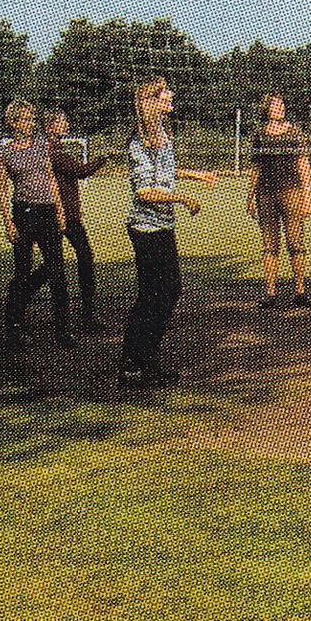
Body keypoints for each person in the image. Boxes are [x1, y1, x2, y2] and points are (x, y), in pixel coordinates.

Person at [120, 77, 218, 388]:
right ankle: (135, 363)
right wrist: (183, 198)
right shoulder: (139, 142)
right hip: (146, 229)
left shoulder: (162, 133)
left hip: (162, 227)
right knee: (155, 296)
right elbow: (146, 191)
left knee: (166, 292)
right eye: (165, 92)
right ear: (153, 100)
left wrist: (195, 175)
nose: (172, 94)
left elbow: (165, 172)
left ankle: (143, 360)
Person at [0, 99, 74, 353]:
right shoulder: (6, 152)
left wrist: (60, 211)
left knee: (57, 272)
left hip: (47, 212)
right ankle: (15, 326)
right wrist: (8, 222)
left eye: (32, 119)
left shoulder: (42, 146)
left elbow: (51, 179)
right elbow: (2, 190)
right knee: (22, 271)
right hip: (23, 213)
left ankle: (63, 329)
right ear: (13, 122)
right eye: (26, 119)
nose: (31, 123)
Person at [43, 109, 109, 331]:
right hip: (63, 216)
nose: (67, 125)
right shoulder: (54, 152)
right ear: (51, 126)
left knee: (55, 264)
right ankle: (86, 316)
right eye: (63, 121)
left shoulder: (52, 149)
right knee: (83, 259)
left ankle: (21, 305)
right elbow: (81, 171)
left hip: (63, 213)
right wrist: (103, 159)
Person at [246, 94, 311, 309]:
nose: (280, 108)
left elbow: (303, 164)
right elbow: (255, 168)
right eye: (276, 105)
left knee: (295, 243)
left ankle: (300, 291)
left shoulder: (295, 133)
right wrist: (250, 197)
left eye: (282, 104)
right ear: (266, 109)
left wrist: (307, 194)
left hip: (292, 192)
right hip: (265, 195)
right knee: (269, 246)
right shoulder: (259, 135)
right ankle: (270, 293)